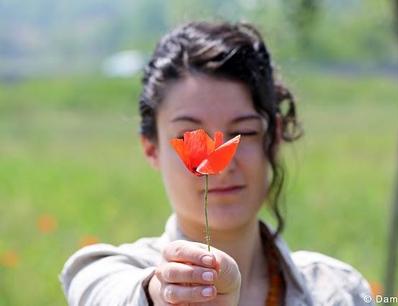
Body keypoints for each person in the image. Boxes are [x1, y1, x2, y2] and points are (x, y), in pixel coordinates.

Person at [59, 21, 374, 306]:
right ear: (151, 148)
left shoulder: (339, 290)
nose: (221, 167)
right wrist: (162, 293)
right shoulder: (113, 272)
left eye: (244, 133)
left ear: (274, 137)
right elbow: (99, 292)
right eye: (190, 135)